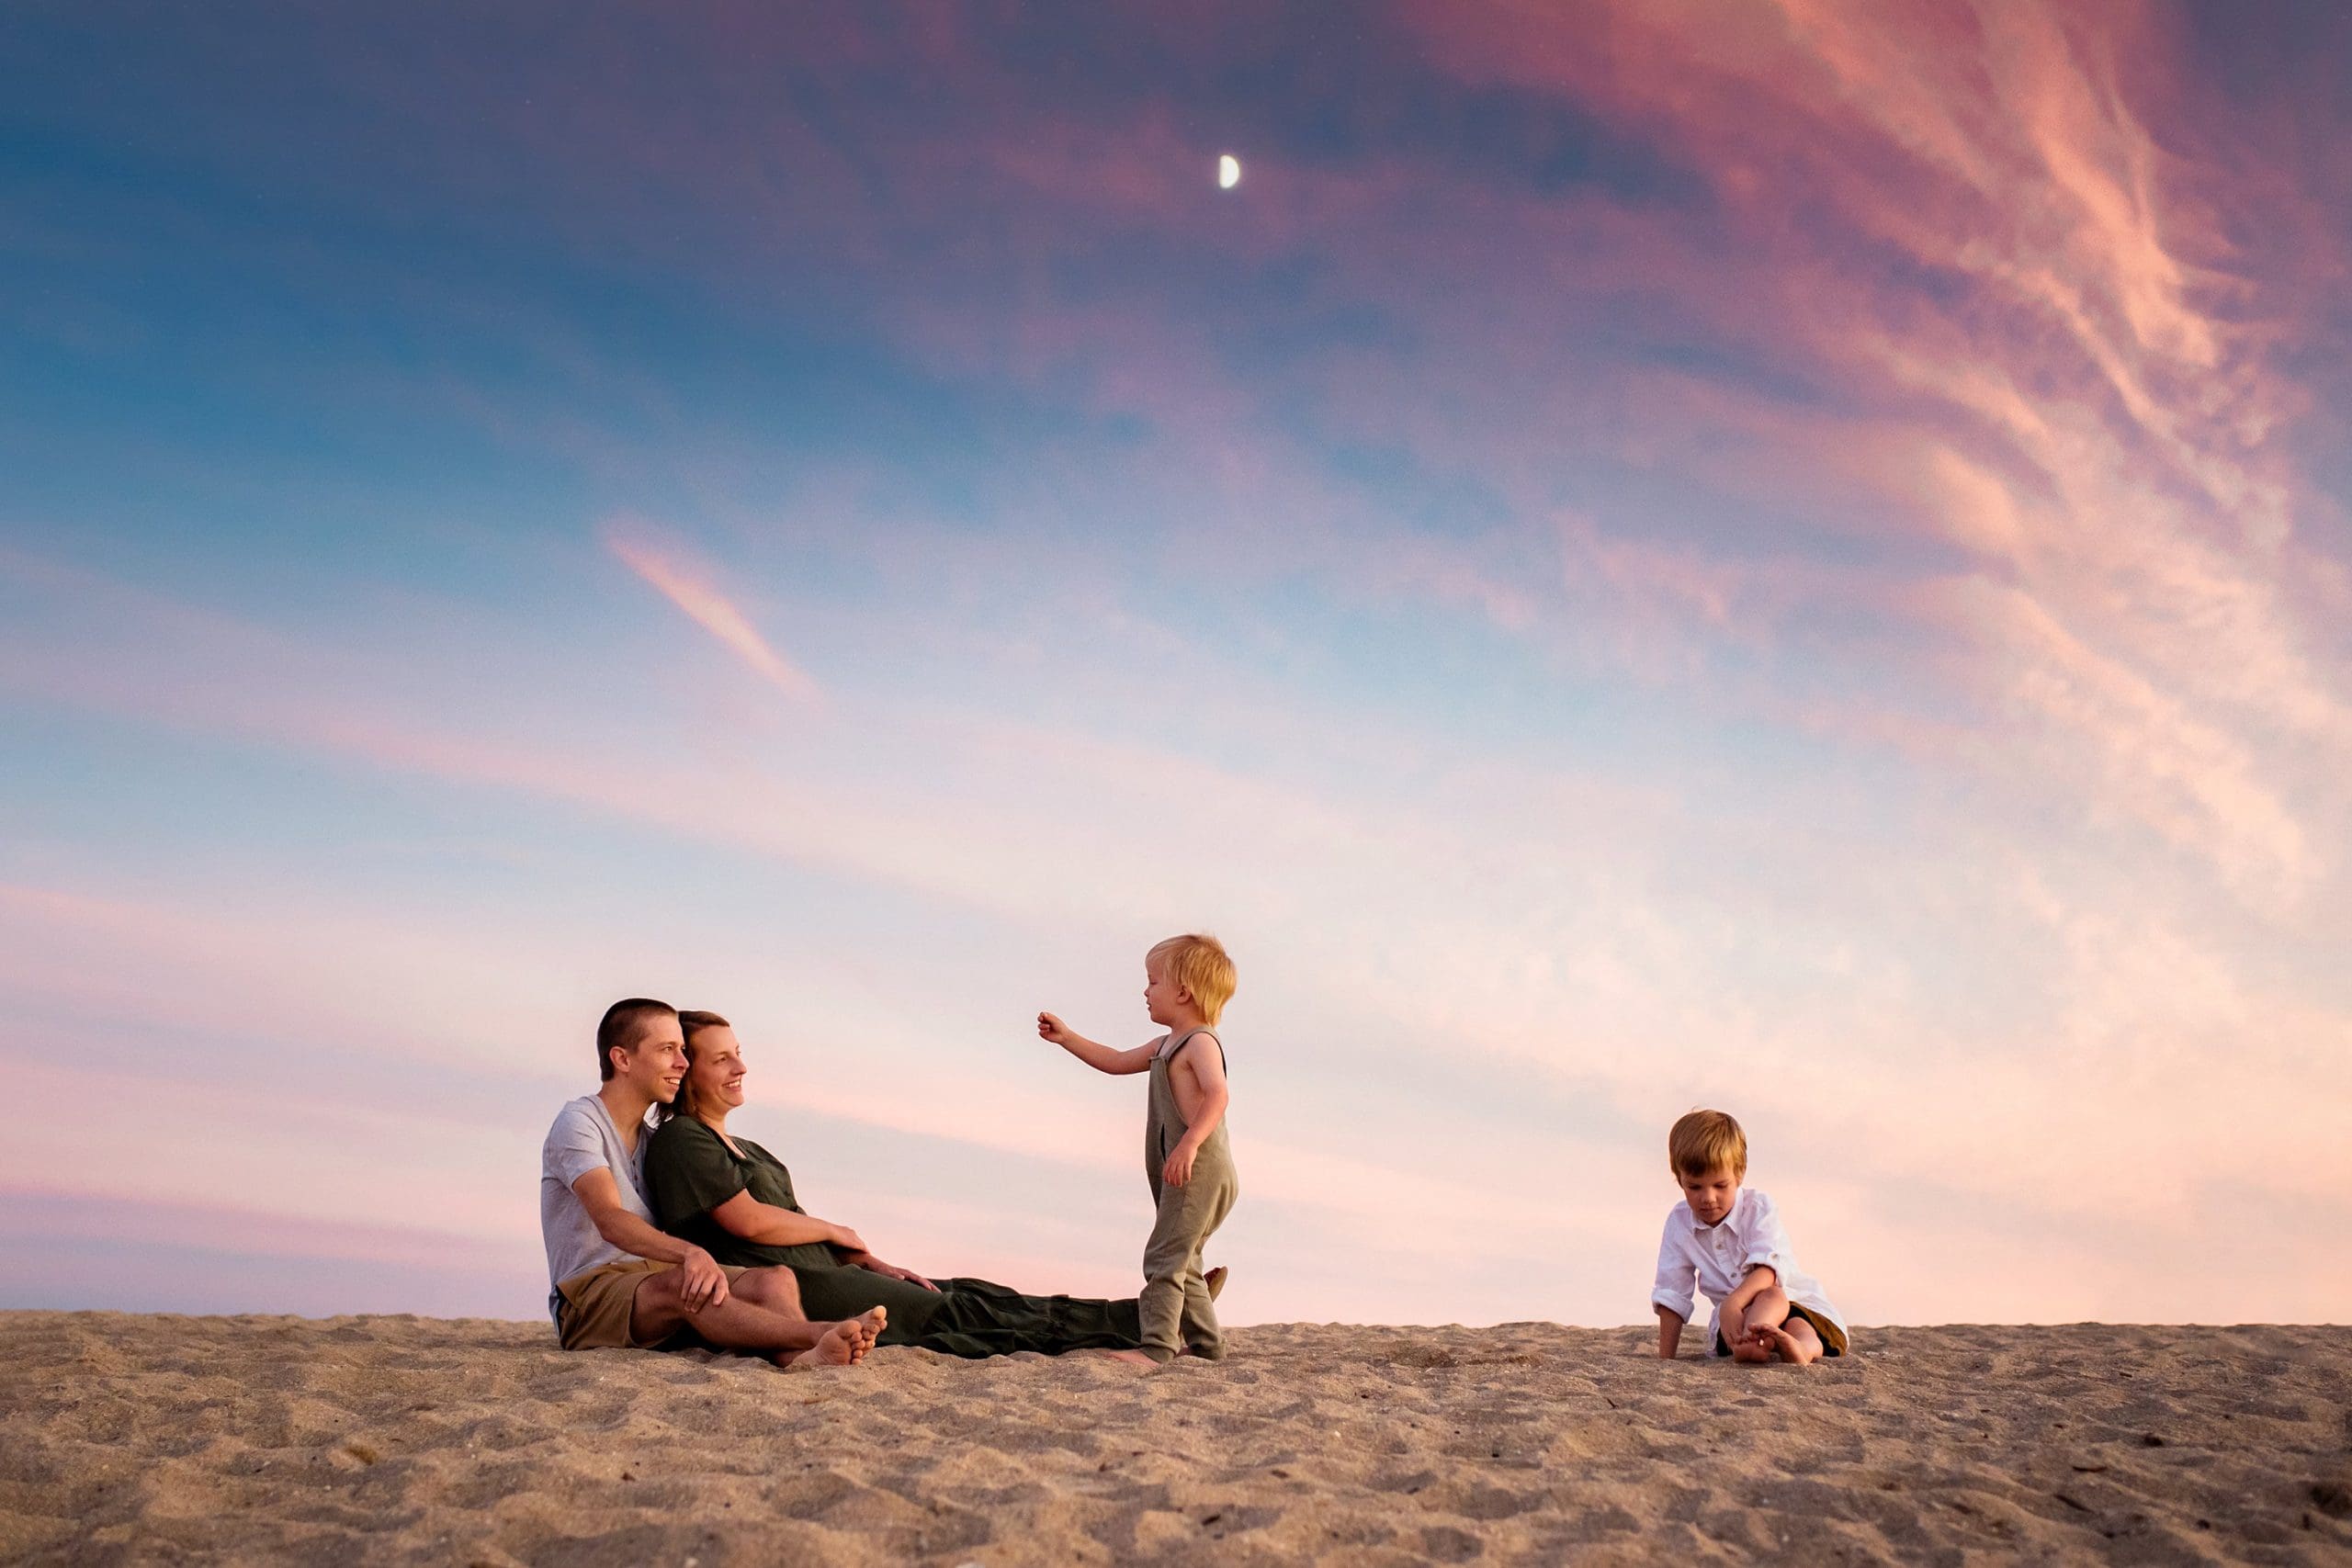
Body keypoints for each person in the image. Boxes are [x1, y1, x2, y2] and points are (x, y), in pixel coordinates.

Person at [643, 1010, 1154, 1360]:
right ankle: (1143, 1325)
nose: (741, 1066)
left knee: (961, 1292)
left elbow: (797, 1227)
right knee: (957, 1315)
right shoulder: (682, 1140)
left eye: (739, 1052)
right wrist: (840, 1230)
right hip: (797, 1289)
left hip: (829, 1270)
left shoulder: (752, 1151)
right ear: (687, 1072)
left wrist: (872, 1261)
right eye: (721, 1059)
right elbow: (746, 1220)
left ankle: (1150, 1313)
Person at [538, 997, 884, 1368]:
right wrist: (690, 1254)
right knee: (683, 1287)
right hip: (588, 1296)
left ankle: (801, 1359)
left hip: (652, 1278)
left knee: (775, 1280)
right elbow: (610, 1219)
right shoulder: (579, 1123)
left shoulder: (654, 1141)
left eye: (683, 1050)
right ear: (622, 1059)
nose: (683, 1063)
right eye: (667, 1050)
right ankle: (818, 1333)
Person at [1039, 932, 1239, 1364]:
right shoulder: (1165, 1045)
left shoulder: (1201, 1042)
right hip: (1190, 1167)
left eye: (1153, 982)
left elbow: (1217, 1095)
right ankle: (1207, 1348)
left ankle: (1157, 1348)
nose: (1145, 992)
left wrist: (1188, 1145)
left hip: (1200, 1167)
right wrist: (1068, 1038)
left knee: (1164, 1256)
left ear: (1183, 992)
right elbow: (1114, 1061)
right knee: (1184, 1260)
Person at [1649, 1109, 1849, 1364]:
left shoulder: (1758, 1208)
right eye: (1694, 1187)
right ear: (1679, 1179)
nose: (1708, 1198)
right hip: (1734, 1324)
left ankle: (1800, 1350)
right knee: (1764, 1311)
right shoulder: (1679, 1223)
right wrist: (1666, 1360)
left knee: (1784, 1309)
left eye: (1720, 1186)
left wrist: (1734, 1301)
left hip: (1792, 1302)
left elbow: (1768, 1270)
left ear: (1739, 1173)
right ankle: (1751, 1344)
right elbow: (1671, 1293)